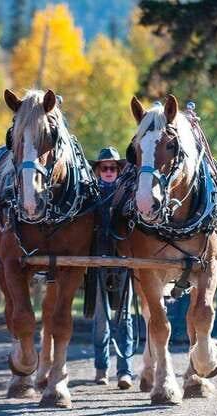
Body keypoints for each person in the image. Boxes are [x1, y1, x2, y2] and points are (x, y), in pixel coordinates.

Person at [89, 146, 133, 389]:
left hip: (123, 260)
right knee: (100, 319)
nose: (108, 171)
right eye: (104, 167)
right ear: (98, 170)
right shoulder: (89, 194)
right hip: (96, 260)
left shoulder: (128, 193)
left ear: (119, 170)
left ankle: (125, 371)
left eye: (113, 167)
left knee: (124, 317)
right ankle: (101, 368)